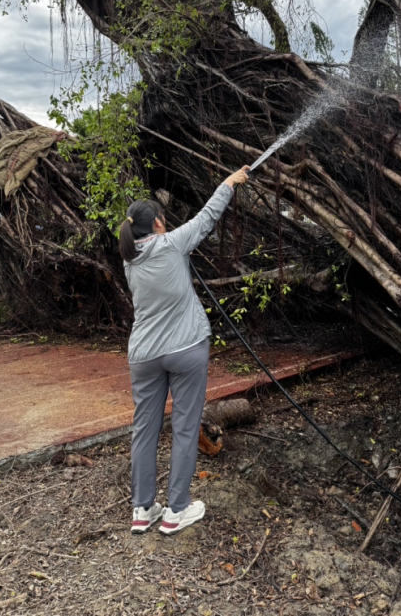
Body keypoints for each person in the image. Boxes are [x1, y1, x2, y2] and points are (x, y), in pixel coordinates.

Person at [120, 166, 250, 535]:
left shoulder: (129, 260)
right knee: (184, 427)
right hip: (185, 349)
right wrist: (229, 182)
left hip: (144, 355)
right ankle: (176, 511)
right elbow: (208, 216)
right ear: (159, 223)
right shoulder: (173, 242)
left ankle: (143, 511)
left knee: (143, 430)